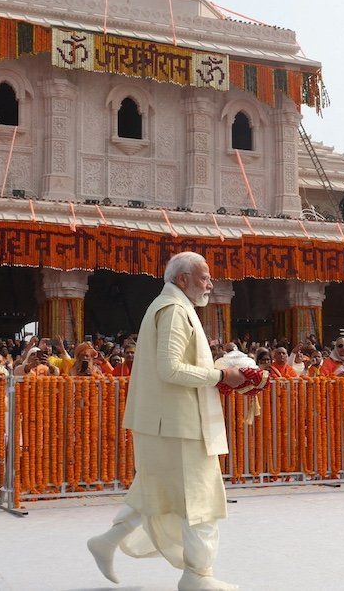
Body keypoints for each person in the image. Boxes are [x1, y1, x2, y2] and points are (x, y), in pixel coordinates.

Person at [87, 251, 246, 590]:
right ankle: (196, 576)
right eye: (204, 277)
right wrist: (221, 375)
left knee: (155, 490)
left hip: (167, 422)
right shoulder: (174, 310)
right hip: (178, 424)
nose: (210, 282)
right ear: (182, 279)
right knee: (200, 499)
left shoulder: (172, 306)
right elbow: (170, 369)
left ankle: (107, 541)